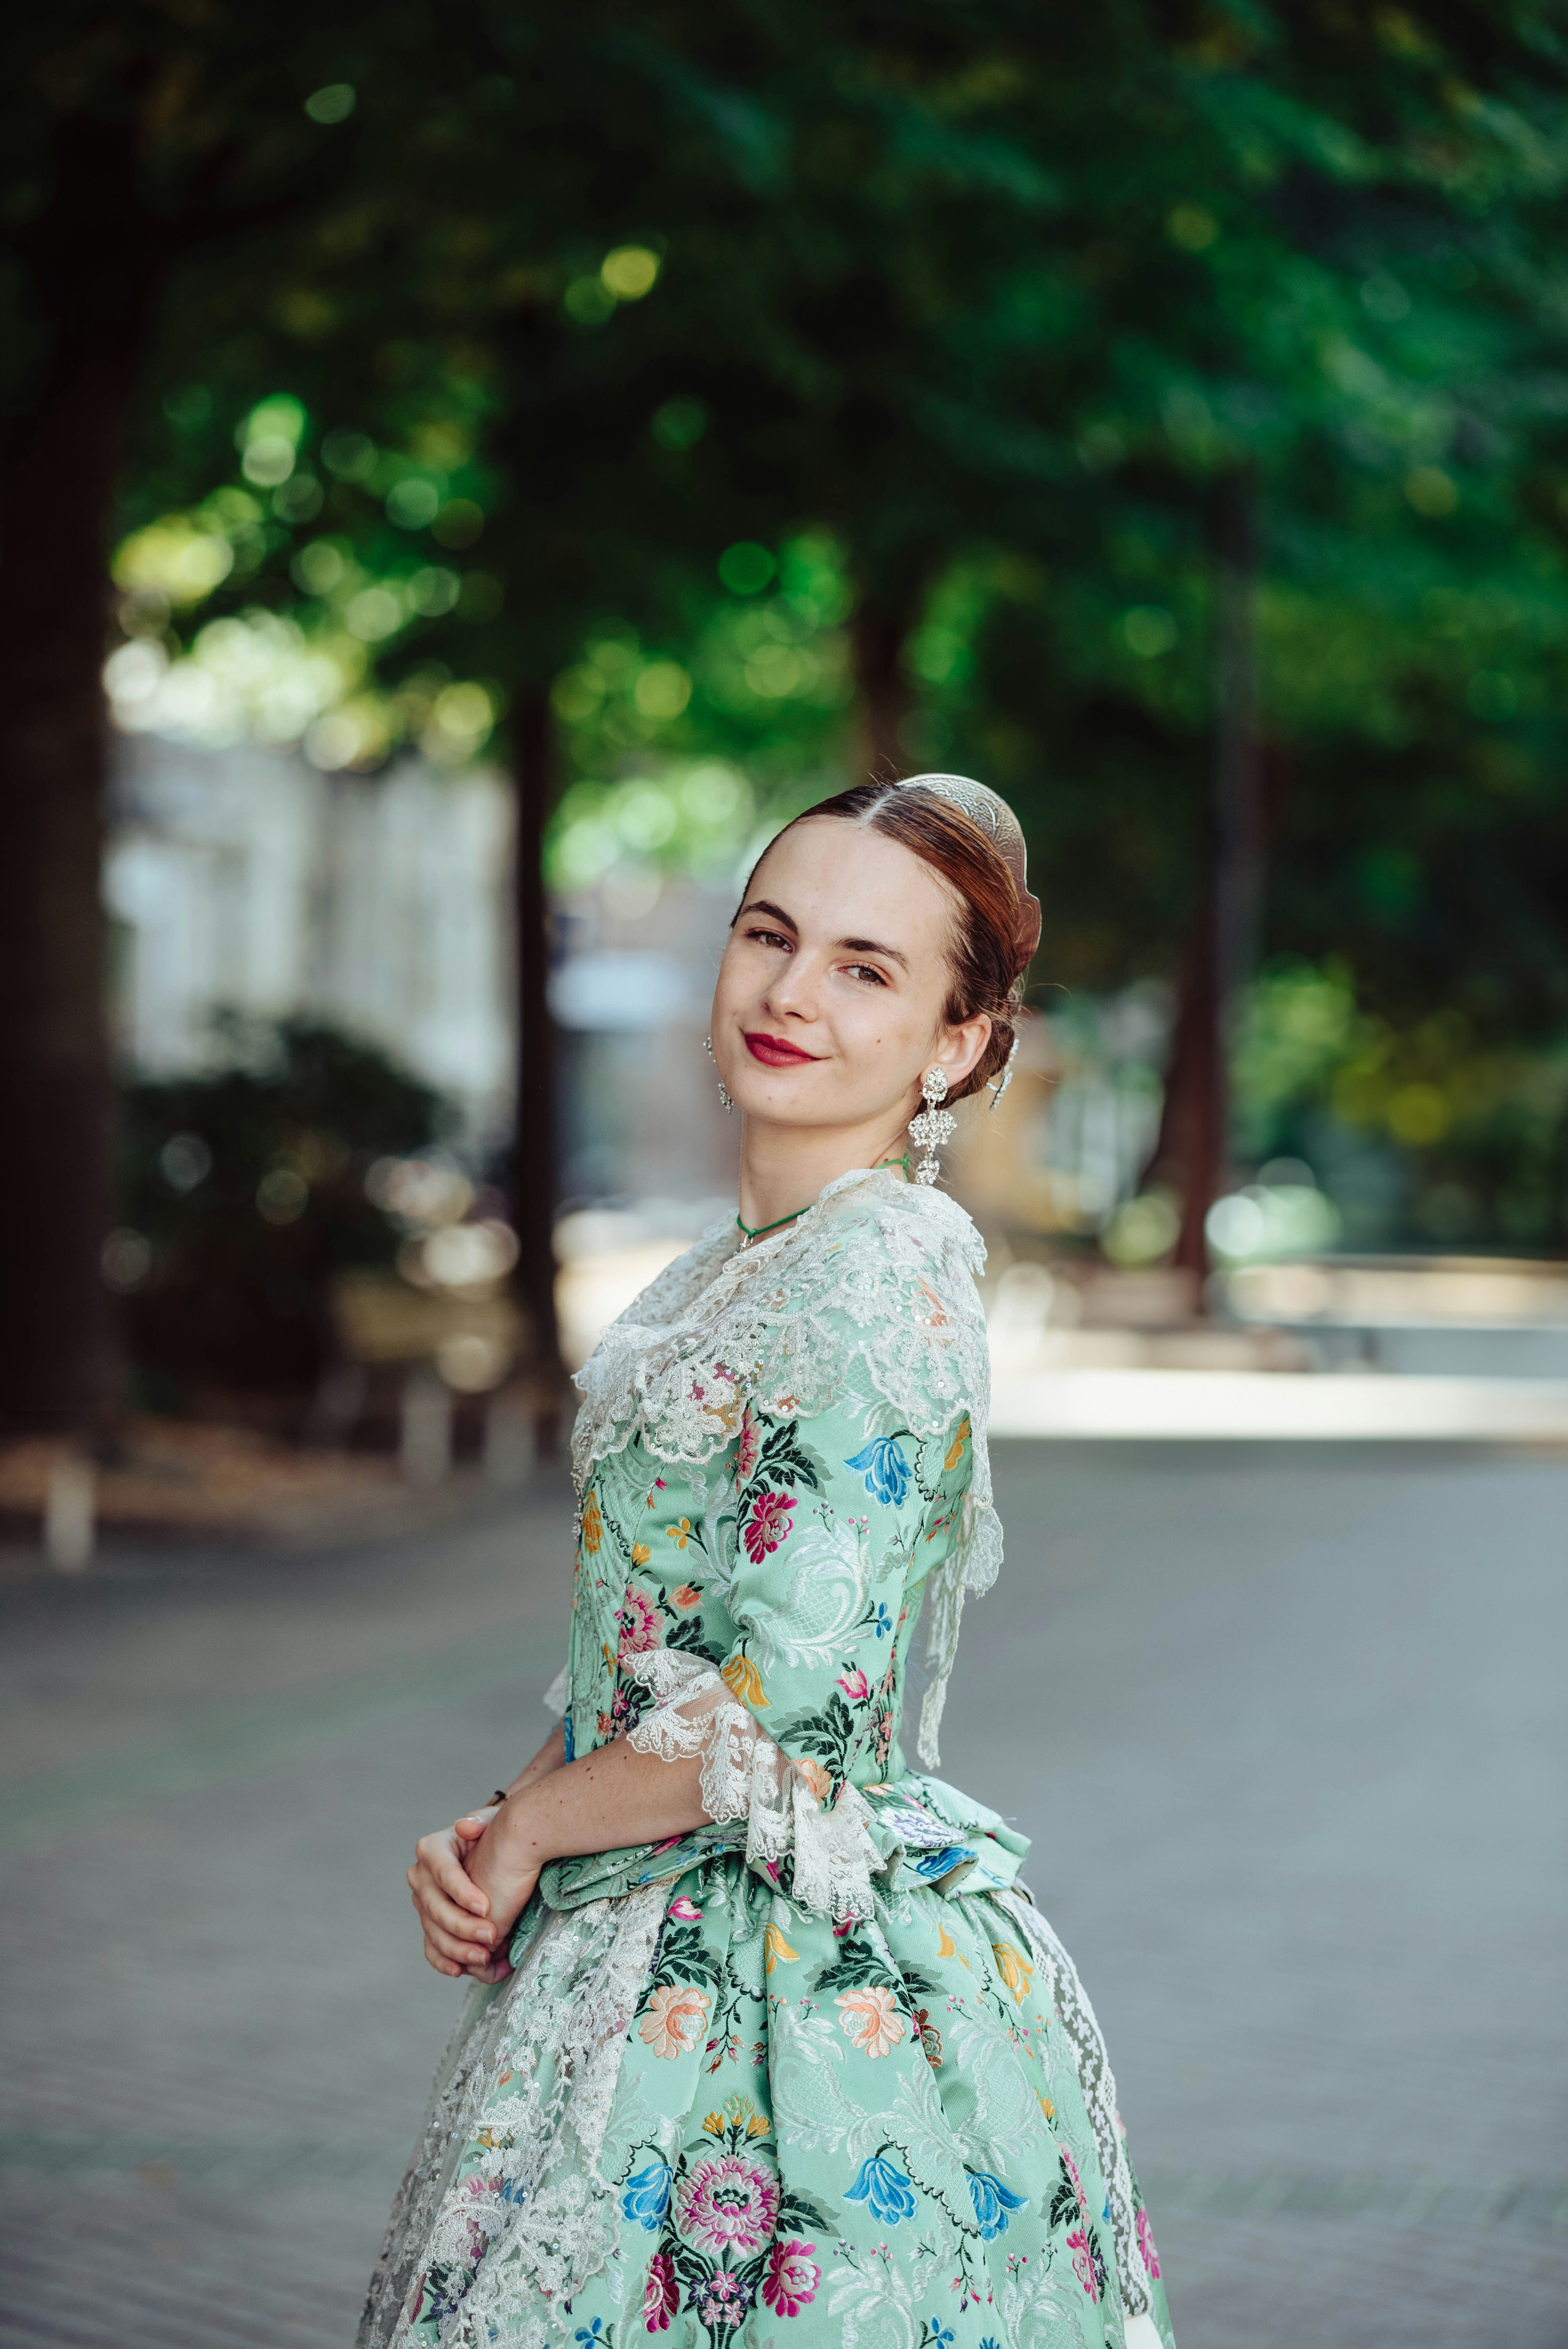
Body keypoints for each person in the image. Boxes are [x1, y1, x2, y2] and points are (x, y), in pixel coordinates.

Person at [360, 776, 1174, 2349]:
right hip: (645, 1911)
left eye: (866, 967)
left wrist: (540, 1824)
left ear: (954, 1042)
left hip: (790, 1983)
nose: (791, 991)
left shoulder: (879, 1264)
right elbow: (665, 1654)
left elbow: (791, 1693)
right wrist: (504, 1822)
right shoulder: (732, 1266)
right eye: (767, 935)